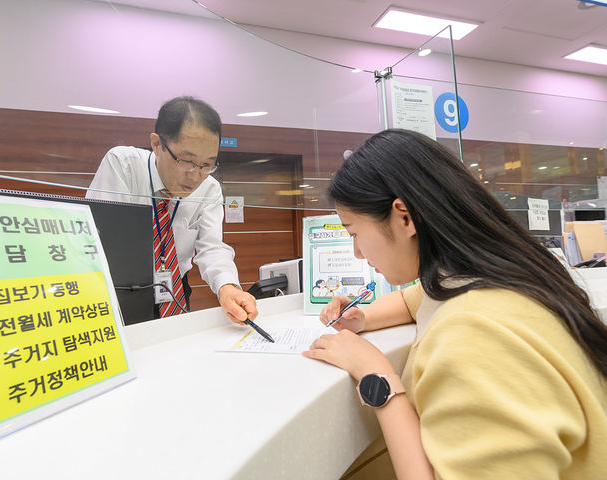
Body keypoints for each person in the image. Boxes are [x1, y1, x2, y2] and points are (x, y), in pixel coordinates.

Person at [303, 129, 607, 479]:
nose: (356, 251)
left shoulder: (473, 335)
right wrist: (362, 318)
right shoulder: (483, 274)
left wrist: (378, 376)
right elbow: (412, 299)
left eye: (354, 232)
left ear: (404, 217)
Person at [87, 96, 257, 323]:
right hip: (120, 290)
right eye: (187, 161)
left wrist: (228, 287)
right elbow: (98, 240)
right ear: (157, 145)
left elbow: (212, 248)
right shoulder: (124, 165)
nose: (196, 176)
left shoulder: (209, 188)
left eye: (207, 165)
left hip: (175, 289)